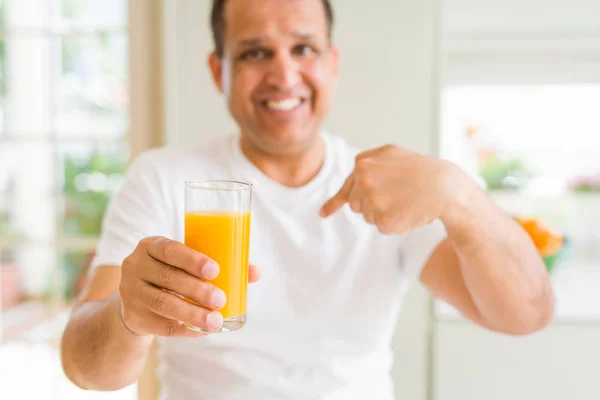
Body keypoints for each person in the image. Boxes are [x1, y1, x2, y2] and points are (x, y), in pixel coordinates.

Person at [60, 0, 555, 398]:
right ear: (219, 71)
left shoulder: (392, 188)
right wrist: (128, 313)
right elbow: (86, 370)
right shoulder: (164, 178)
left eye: (304, 48)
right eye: (255, 52)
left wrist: (460, 195)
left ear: (332, 63)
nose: (283, 74)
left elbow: (526, 314)